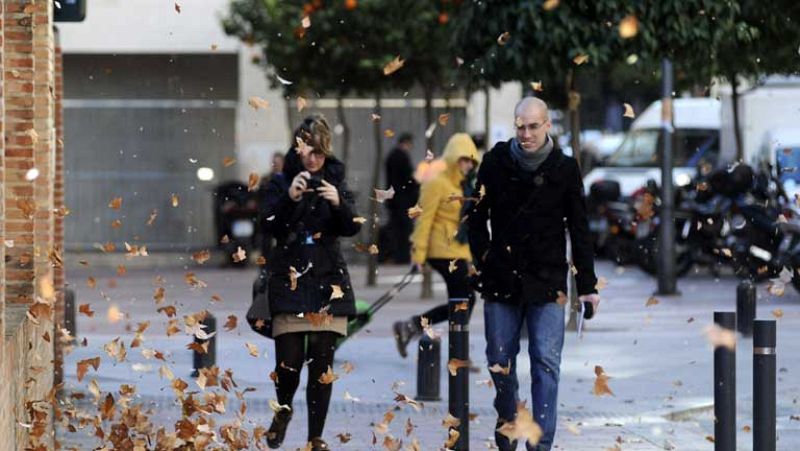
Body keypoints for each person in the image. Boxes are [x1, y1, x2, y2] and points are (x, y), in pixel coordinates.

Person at [468, 97, 601, 451]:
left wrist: (587, 286)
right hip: (502, 278)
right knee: (499, 360)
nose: (525, 134)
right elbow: (476, 220)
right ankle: (509, 418)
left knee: (545, 362)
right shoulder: (495, 162)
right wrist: (484, 261)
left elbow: (580, 228)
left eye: (532, 126)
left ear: (547, 126)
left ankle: (540, 444)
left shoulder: (565, 168)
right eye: (520, 127)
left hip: (548, 280)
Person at [261, 114, 361, 451]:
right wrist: (290, 197)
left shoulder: (336, 179)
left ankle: (315, 437)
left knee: (322, 363)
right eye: (308, 151)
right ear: (298, 148)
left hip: (327, 280)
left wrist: (339, 204)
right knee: (288, 364)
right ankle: (284, 411)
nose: (314, 158)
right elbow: (271, 227)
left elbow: (351, 227)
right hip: (289, 279)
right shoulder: (280, 181)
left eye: (319, 152)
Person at [392, 133, 480, 358]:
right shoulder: (436, 183)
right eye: (464, 159)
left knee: (464, 300)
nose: (469, 165)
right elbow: (424, 219)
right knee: (464, 300)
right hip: (440, 250)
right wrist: (418, 255)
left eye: (472, 161)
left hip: (458, 251)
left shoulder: (464, 186)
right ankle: (457, 354)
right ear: (453, 158)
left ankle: (412, 326)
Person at [383, 133, 419, 263]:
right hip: (403, 199)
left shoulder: (391, 156)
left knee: (396, 229)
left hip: (393, 198)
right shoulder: (402, 157)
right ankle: (402, 257)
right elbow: (409, 179)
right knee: (404, 229)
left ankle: (396, 255)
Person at [258, 152, 286, 260]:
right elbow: (260, 196)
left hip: (283, 217)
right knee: (266, 244)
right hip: (268, 216)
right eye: (274, 163)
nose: (276, 165)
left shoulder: (288, 179)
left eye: (278, 163)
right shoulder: (266, 179)